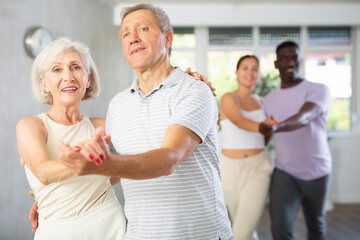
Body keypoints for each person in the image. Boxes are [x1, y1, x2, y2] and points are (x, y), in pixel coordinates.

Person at [58, 3, 233, 240]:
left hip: (200, 234)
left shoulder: (194, 91)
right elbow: (114, 173)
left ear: (168, 38)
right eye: (126, 34)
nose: (133, 38)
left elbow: (169, 158)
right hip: (139, 234)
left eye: (143, 29)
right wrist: (54, 200)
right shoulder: (118, 104)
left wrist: (107, 164)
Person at [16, 38, 126, 240]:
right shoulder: (31, 126)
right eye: (57, 70)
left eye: (75, 67)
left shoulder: (101, 126)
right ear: (44, 83)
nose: (68, 76)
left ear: (88, 79)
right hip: (56, 229)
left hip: (109, 222)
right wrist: (84, 156)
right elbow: (44, 173)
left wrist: (188, 81)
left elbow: (140, 158)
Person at [259, 41, 332, 240]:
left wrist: (276, 126)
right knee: (280, 228)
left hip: (317, 171)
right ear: (276, 64)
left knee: (316, 224)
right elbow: (265, 136)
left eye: (295, 57)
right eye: (285, 58)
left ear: (302, 60)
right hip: (285, 171)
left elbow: (304, 117)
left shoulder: (318, 90)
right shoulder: (269, 100)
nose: (290, 62)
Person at [219, 55, 277, 240]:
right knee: (244, 228)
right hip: (229, 170)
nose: (250, 73)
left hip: (258, 168)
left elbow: (267, 135)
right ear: (237, 73)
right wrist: (262, 126)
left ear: (259, 75)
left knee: (241, 233)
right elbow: (238, 120)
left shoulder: (261, 102)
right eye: (245, 68)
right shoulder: (228, 98)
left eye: (254, 69)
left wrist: (268, 128)